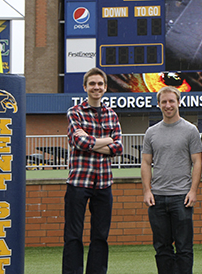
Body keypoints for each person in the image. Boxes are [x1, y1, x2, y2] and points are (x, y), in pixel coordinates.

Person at [63, 67, 123, 274]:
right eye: (92, 84)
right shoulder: (75, 112)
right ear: (85, 87)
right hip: (78, 183)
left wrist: (92, 141)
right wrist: (106, 140)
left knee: (100, 236)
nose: (96, 87)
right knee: (73, 235)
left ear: (105, 87)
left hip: (104, 184)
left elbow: (119, 147)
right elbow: (78, 141)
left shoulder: (111, 115)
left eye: (100, 84)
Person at [141, 86, 202, 274]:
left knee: (184, 248)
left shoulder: (190, 130)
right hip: (157, 199)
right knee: (162, 248)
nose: (168, 105)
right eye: (164, 102)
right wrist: (147, 191)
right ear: (158, 104)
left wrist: (193, 191)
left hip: (181, 198)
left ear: (178, 102)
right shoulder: (151, 132)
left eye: (171, 101)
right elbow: (145, 163)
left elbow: (197, 162)